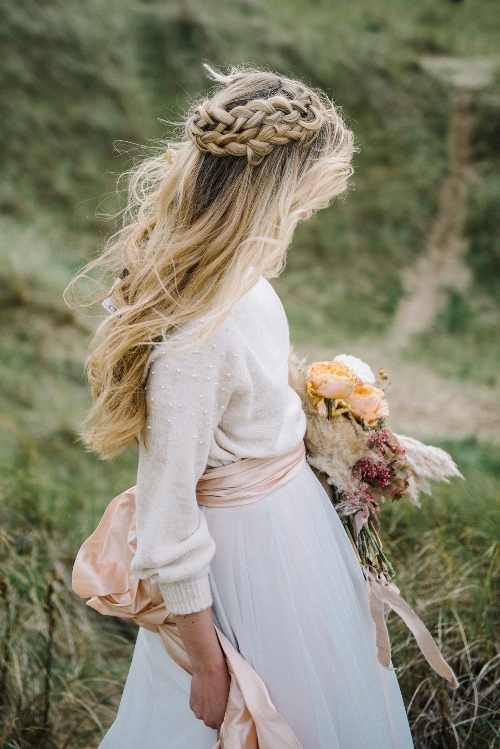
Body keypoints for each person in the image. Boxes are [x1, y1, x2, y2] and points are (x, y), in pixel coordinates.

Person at [73, 66, 414, 748]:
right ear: (271, 193)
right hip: (248, 565)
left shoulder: (247, 282)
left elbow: (254, 395)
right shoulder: (195, 339)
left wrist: (332, 423)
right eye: (306, 199)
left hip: (297, 535)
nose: (311, 213)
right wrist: (206, 662)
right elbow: (168, 520)